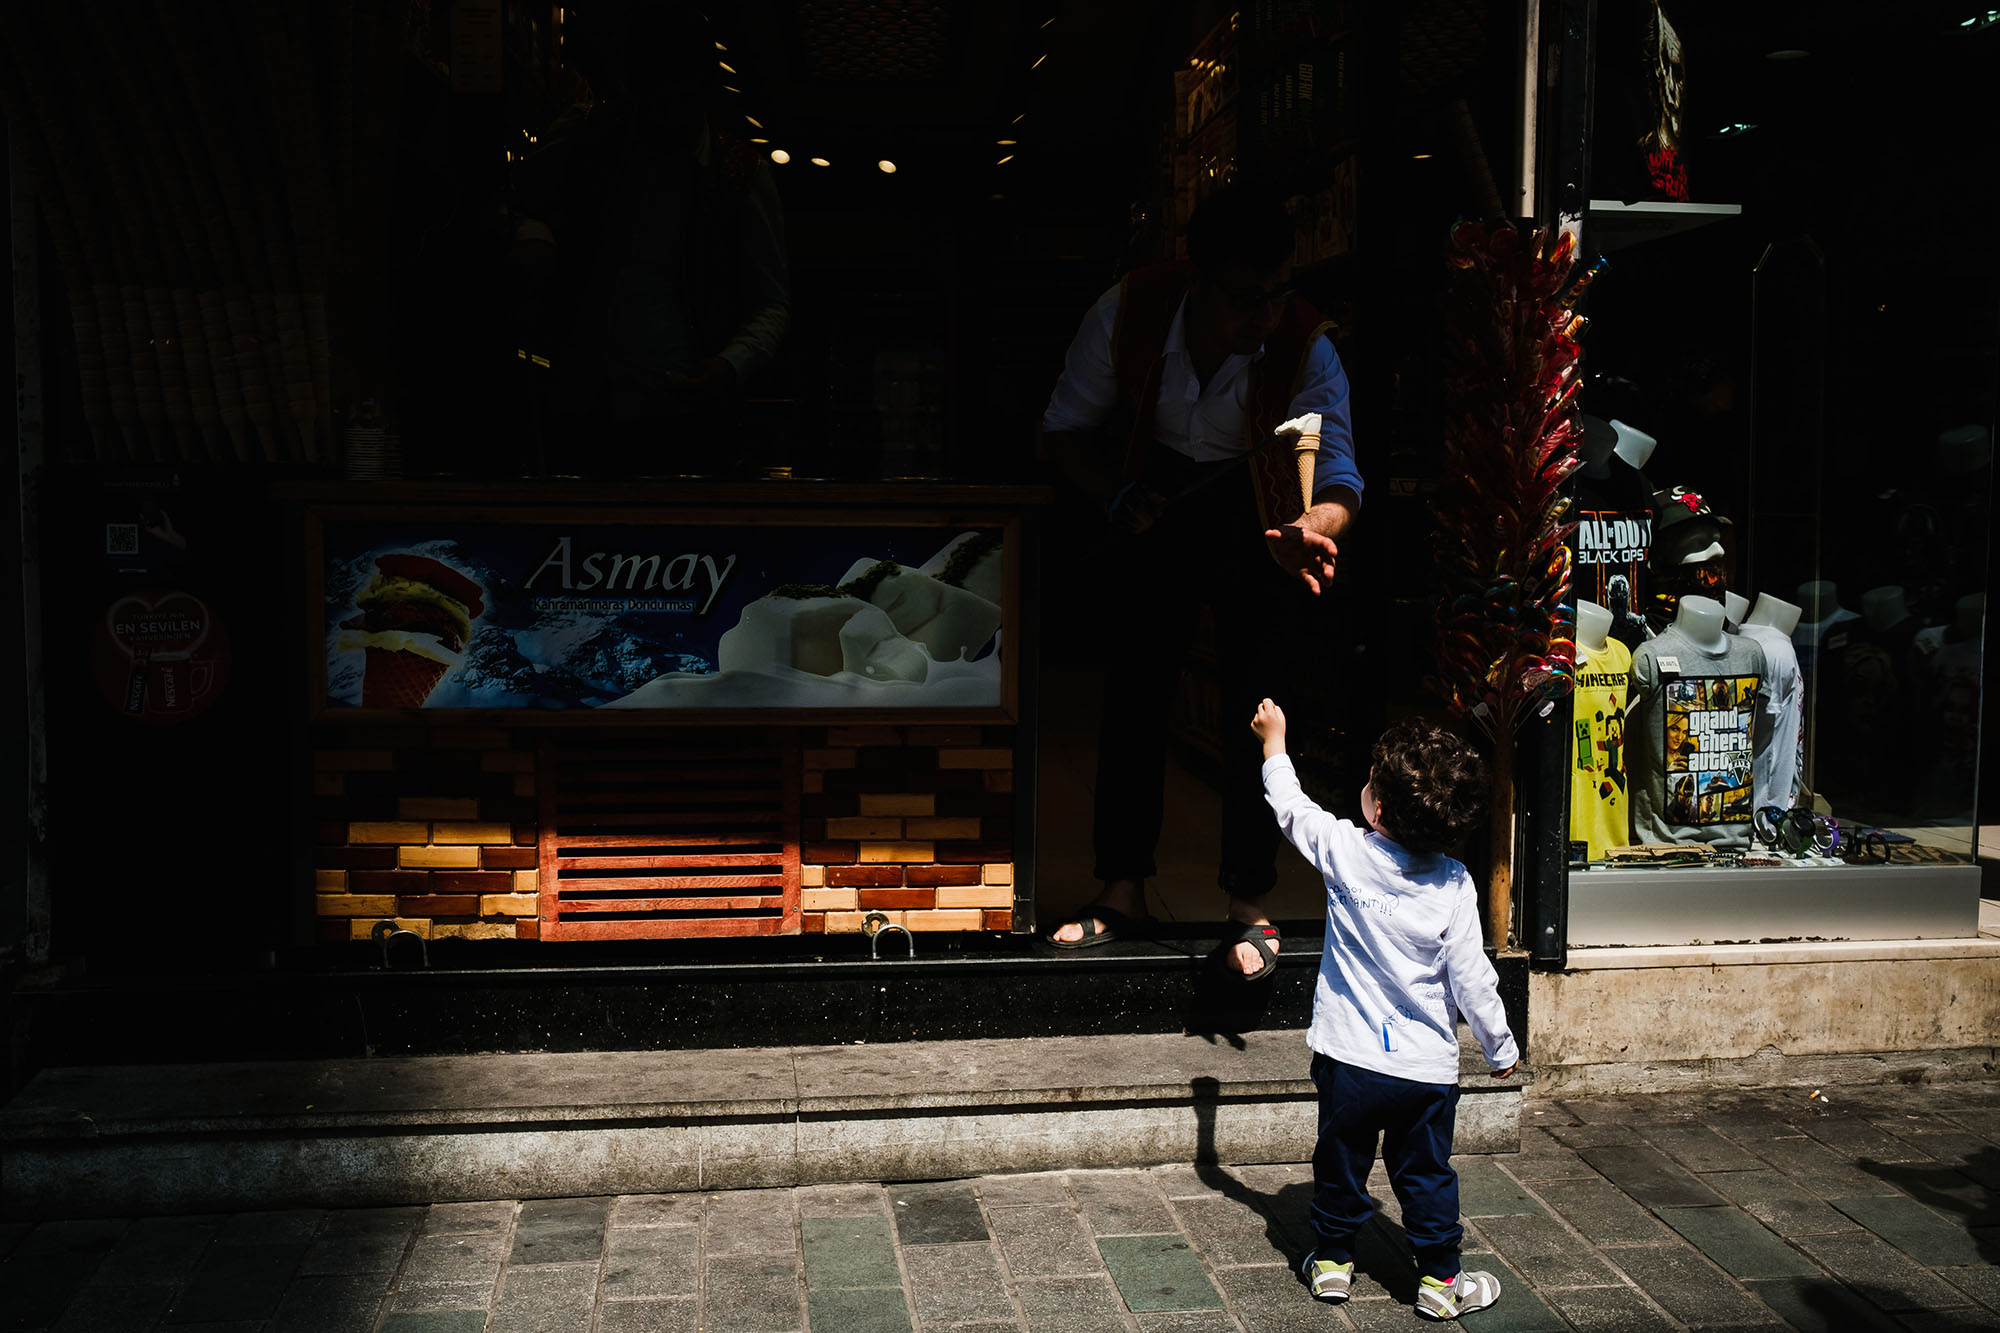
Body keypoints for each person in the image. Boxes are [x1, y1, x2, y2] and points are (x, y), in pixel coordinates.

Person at [1039, 184, 1363, 976]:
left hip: (1260, 509)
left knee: (1258, 703)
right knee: (1136, 687)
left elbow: (1342, 478)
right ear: (1199, 279)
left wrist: (1311, 528)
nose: (1266, 313)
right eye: (1248, 297)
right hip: (1158, 495)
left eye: (1278, 291)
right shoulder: (1129, 311)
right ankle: (1122, 889)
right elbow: (1062, 435)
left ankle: (1250, 904)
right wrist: (1113, 496)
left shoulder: (1306, 343)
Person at [1251, 700, 1517, 1321]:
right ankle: (1439, 1281)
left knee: (1340, 1163)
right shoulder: (1453, 883)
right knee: (1425, 1174)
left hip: (1348, 1060)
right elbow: (1474, 980)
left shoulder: (1345, 849)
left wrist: (1275, 741)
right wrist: (1500, 1048)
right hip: (1425, 1071)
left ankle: (1334, 1264)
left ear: (1375, 806)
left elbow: (1290, 806)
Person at [509, 1, 789, 476]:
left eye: (675, 96)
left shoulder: (739, 173)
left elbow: (772, 300)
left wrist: (728, 365)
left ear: (702, 89)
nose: (663, 114)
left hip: (685, 414)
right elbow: (517, 205)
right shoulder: (589, 141)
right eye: (652, 96)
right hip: (589, 403)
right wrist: (532, 236)